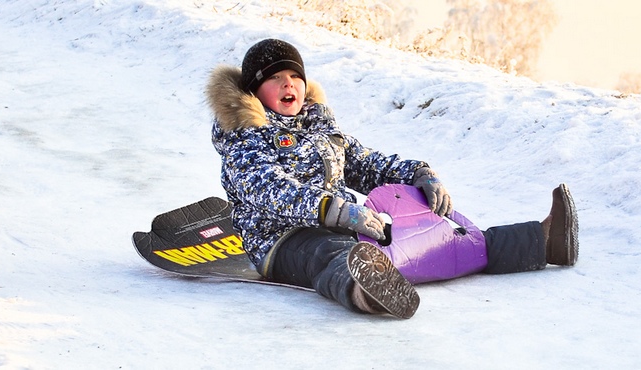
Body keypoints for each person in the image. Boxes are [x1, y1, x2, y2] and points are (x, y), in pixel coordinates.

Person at [207, 38, 578, 319]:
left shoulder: (320, 127)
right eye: (275, 78)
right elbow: (266, 187)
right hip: (281, 238)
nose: (288, 84)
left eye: (294, 76)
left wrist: (419, 174)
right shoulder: (246, 135)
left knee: (443, 238)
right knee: (329, 254)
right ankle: (363, 290)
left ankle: (542, 242)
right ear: (254, 91)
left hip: (344, 223)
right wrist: (327, 209)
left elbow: (366, 163)